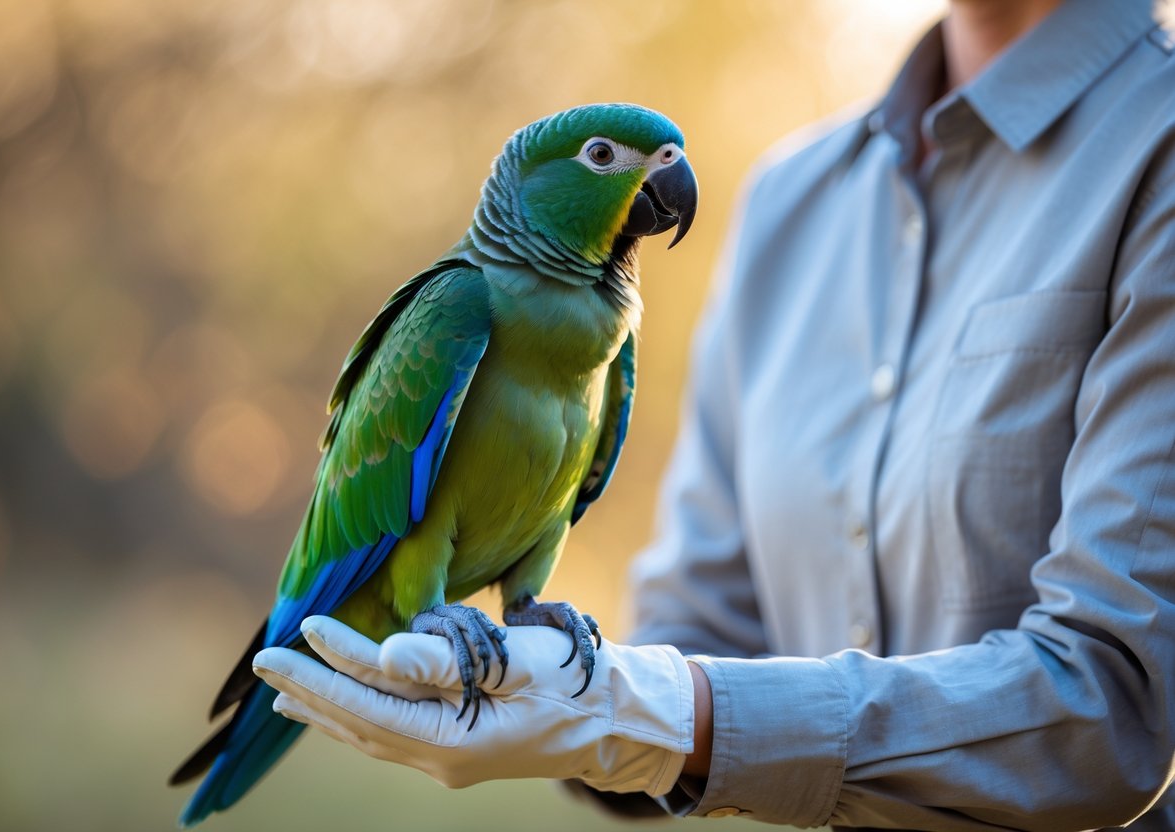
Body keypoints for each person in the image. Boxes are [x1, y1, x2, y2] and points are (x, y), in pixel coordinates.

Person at [251, 0, 1175, 827]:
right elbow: (698, 628)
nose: (661, 175)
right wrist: (599, 720)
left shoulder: (1154, 148)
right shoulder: (787, 198)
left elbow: (1114, 711)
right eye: (609, 159)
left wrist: (649, 716)